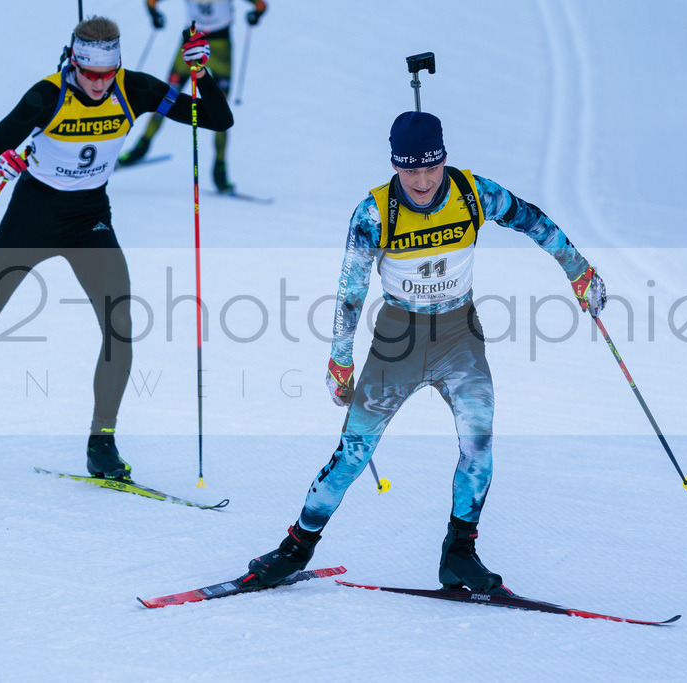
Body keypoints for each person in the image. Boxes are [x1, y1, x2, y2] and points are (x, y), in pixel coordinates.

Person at [244, 111, 607, 594]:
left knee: (478, 444)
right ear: (394, 165)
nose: (422, 181)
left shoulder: (474, 193)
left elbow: (533, 221)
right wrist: (340, 358)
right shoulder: (374, 214)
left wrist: (578, 269)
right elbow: (350, 291)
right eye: (410, 170)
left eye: (431, 168)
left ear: (444, 159)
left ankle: (459, 553)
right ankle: (295, 549)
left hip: (460, 336)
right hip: (399, 341)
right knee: (354, 452)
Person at [0, 16, 233, 480]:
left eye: (108, 73)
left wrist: (201, 73)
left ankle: (102, 443)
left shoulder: (135, 88)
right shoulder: (46, 95)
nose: (99, 84)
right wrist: (0, 163)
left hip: (88, 222)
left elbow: (215, 119)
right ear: (74, 63)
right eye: (90, 74)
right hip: (30, 220)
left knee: (119, 326)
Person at [117, 0, 268, 193]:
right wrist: (154, 14)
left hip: (219, 45)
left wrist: (256, 15)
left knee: (219, 108)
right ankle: (141, 147)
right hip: (193, 42)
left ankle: (220, 170)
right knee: (166, 97)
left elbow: (260, 5)